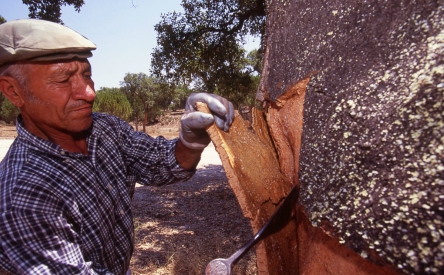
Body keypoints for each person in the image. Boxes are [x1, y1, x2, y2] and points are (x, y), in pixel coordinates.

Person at [0, 19, 234, 274]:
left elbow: (159, 163)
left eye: (87, 75)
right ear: (13, 92)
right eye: (63, 80)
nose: (89, 93)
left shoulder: (104, 129)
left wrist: (190, 141)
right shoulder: (23, 194)